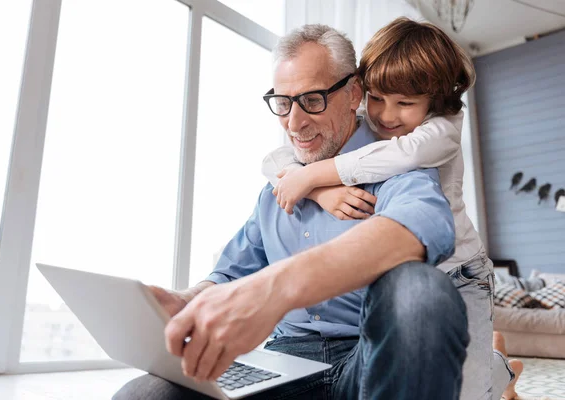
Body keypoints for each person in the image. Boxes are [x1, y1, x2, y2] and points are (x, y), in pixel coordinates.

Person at [113, 23, 469, 400]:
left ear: (353, 94)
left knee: (421, 290)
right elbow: (232, 271)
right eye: (283, 103)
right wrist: (188, 301)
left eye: (312, 100)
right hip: (283, 365)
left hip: (367, 362)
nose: (294, 124)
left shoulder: (394, 162)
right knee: (145, 395)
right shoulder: (278, 189)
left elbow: (424, 225)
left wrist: (275, 289)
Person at [261, 18, 520, 400]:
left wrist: (316, 174)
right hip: (409, 277)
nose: (385, 115)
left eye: (404, 104)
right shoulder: (373, 123)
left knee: (467, 393)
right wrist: (316, 192)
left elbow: (398, 155)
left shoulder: (440, 131)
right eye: (377, 98)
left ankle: (503, 369)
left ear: (434, 100)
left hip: (459, 274)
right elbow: (275, 160)